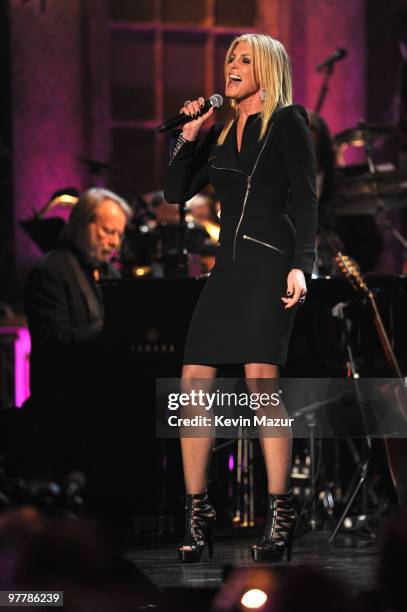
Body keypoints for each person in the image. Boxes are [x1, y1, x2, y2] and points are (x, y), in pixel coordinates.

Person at [164, 33, 318, 562]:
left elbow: (306, 201)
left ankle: (280, 513)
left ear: (267, 70)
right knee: (192, 382)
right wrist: (189, 134)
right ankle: (198, 511)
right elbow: (174, 191)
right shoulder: (223, 129)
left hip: (270, 262)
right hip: (226, 270)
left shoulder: (288, 122)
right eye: (230, 57)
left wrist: (303, 265)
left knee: (260, 380)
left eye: (244, 59)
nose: (232, 65)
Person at [24, 187, 132, 404]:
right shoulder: (49, 270)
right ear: (82, 224)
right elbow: (55, 340)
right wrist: (111, 334)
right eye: (109, 231)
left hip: (100, 398)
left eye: (119, 235)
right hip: (63, 402)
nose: (115, 243)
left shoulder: (109, 272)